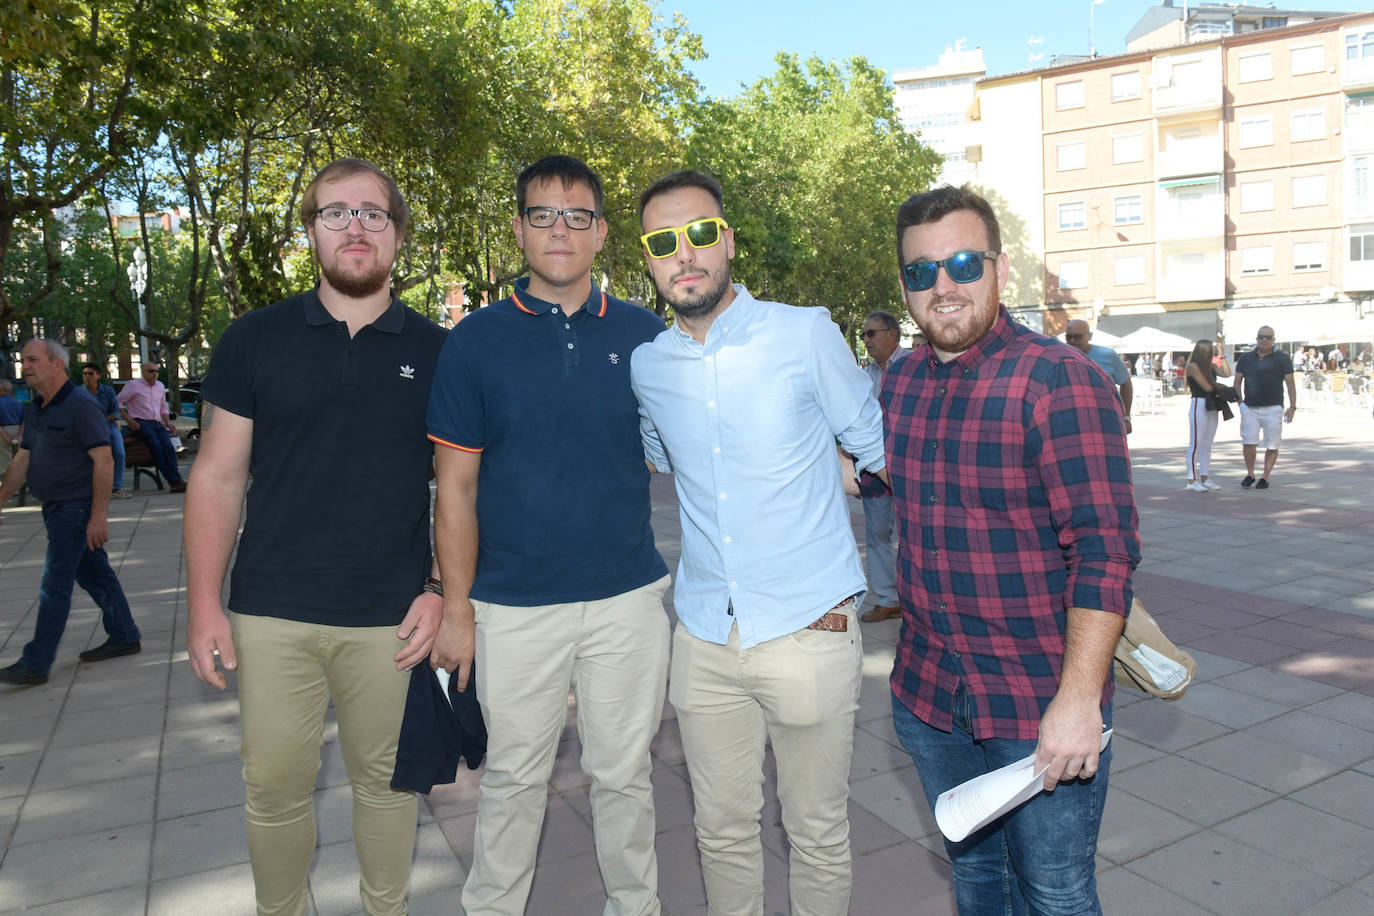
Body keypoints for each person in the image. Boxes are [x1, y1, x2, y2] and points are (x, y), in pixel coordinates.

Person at [183, 158, 447, 916]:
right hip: (271, 612)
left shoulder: (440, 352)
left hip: (392, 616)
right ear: (310, 231)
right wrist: (203, 606)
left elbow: (460, 490)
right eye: (336, 213)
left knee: (389, 786)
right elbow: (217, 478)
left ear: (397, 234)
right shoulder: (253, 340)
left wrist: (442, 591)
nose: (355, 228)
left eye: (373, 213)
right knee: (272, 788)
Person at [630, 170, 884, 916]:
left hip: (809, 626)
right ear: (648, 259)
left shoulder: (803, 333)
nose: (685, 254)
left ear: (729, 241)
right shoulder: (648, 366)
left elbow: (875, 448)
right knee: (720, 833)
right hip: (704, 638)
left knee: (817, 834)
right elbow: (662, 456)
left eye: (700, 233)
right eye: (664, 241)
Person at [883, 185, 1139, 914]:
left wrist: (1079, 699)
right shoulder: (900, 380)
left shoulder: (1059, 380)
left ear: (998, 269)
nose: (943, 286)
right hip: (931, 697)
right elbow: (864, 476)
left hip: (1037, 704)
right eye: (921, 271)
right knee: (978, 881)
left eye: (963, 264)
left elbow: (1105, 551)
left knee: (1055, 893)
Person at [426, 155, 671, 916]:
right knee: (512, 780)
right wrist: (457, 610)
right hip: (512, 606)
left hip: (627, 598)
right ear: (518, 230)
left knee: (625, 777)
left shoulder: (646, 334)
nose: (559, 230)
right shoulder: (474, 341)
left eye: (576, 216)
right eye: (542, 215)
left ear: (601, 233)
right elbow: (455, 489)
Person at [0, 340, 142, 686]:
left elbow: (104, 461)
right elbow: (23, 457)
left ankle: (36, 662)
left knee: (55, 583)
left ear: (57, 364)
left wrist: (98, 516)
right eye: (23, 360)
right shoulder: (37, 407)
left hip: (75, 509)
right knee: (95, 575)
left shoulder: (81, 405)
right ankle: (124, 635)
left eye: (32, 360)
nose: (25, 366)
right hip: (54, 508)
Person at [856, 309, 908, 623]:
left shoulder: (914, 366)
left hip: (910, 463)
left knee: (917, 534)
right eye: (863, 334)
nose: (866, 339)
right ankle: (889, 600)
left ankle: (919, 598)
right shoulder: (867, 375)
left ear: (892, 334)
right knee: (877, 535)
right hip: (875, 468)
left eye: (871, 333)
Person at [1233, 325, 1296, 490]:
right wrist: (1240, 403)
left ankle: (1265, 476)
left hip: (1273, 407)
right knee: (1248, 442)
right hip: (1250, 407)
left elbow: (1290, 383)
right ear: (1256, 339)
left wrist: (1292, 407)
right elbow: (1237, 382)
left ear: (1273, 340)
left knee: (1272, 444)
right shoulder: (1246, 358)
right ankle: (1250, 474)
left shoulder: (1282, 358)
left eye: (1268, 337)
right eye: (1261, 337)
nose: (1264, 340)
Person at [117, 361, 186, 492]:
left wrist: (167, 423)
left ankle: (176, 480)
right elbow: (118, 402)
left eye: (156, 371)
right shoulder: (133, 385)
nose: (154, 374)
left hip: (156, 422)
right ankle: (174, 481)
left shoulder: (160, 386)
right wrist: (128, 419)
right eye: (151, 371)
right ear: (143, 372)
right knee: (157, 448)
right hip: (141, 422)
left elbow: (163, 407)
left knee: (168, 448)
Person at [1065, 319, 1133, 434]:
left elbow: (1126, 383)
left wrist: (1126, 417)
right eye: (1068, 337)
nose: (1072, 341)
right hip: (1073, 422)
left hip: (1107, 419)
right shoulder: (1061, 356)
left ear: (1089, 336)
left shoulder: (1108, 355)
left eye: (1077, 337)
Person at [1183, 339, 1231, 492]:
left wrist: (1222, 357)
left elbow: (1226, 373)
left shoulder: (1210, 365)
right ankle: (1191, 480)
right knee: (1195, 443)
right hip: (1199, 403)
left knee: (1207, 444)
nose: (1212, 352)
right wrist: (1223, 388)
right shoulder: (1193, 366)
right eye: (1210, 349)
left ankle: (1205, 477)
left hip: (1211, 404)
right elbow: (1206, 386)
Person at [80, 363, 130, 499]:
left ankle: (116, 488)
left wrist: (103, 419)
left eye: (90, 374)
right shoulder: (78, 393)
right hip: (88, 429)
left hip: (108, 426)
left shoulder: (107, 391)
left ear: (98, 376)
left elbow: (116, 412)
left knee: (119, 454)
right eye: (85, 374)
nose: (87, 377)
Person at [0, 378, 23, 480]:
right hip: (17, 430)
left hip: (3, 432)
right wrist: (19, 435)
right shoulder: (18, 403)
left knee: (5, 461)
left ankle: (7, 485)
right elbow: (25, 421)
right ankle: (21, 484)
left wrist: (5, 437)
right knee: (19, 460)